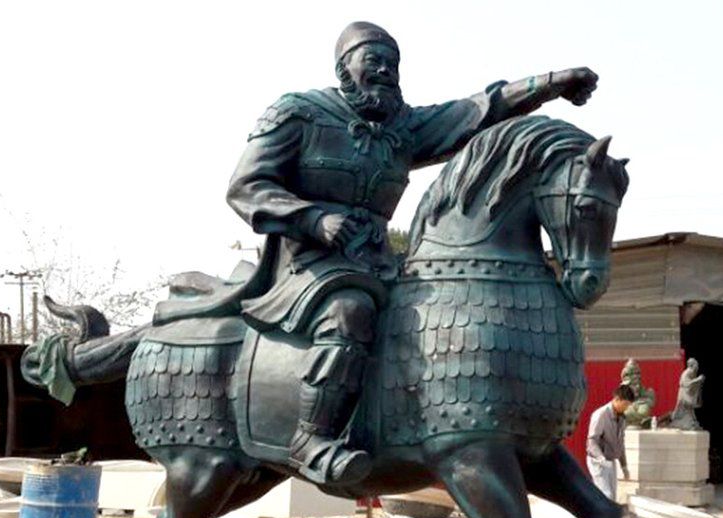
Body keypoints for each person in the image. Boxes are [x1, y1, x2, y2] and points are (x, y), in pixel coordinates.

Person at [226, 21, 600, 485]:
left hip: (377, 261)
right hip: (306, 264)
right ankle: (311, 436)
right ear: (344, 67)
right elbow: (246, 186)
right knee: (350, 311)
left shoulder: (401, 128)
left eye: (393, 63)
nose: (385, 70)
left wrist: (550, 83)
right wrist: (314, 220)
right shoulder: (298, 113)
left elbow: (477, 110)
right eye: (373, 60)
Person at [586, 385, 635, 501]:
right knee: (605, 495)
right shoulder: (601, 414)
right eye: (625, 404)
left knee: (612, 497)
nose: (626, 408)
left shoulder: (622, 418)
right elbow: (592, 440)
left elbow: (620, 443)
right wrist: (601, 458)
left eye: (628, 405)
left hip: (611, 461)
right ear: (617, 399)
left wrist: (624, 466)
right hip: (597, 461)